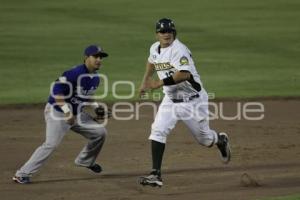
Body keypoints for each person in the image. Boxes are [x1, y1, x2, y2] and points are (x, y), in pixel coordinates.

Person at [138, 18, 231, 187]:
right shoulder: (154, 48)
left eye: (169, 31)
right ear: (157, 34)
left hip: (193, 102)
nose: (166, 34)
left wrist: (158, 83)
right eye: (162, 31)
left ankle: (220, 140)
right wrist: (145, 80)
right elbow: (152, 61)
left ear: (174, 32)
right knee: (158, 130)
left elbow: (184, 74)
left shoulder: (178, 50)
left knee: (205, 140)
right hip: (170, 100)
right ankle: (155, 174)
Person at [13, 45, 110, 184]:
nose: (99, 60)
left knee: (100, 132)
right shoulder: (73, 73)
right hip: (58, 112)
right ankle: (22, 174)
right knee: (50, 144)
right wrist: (67, 112)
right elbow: (56, 91)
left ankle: (85, 161)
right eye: (96, 56)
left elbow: (86, 96)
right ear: (86, 58)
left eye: (101, 57)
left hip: (75, 114)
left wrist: (96, 107)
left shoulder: (95, 78)